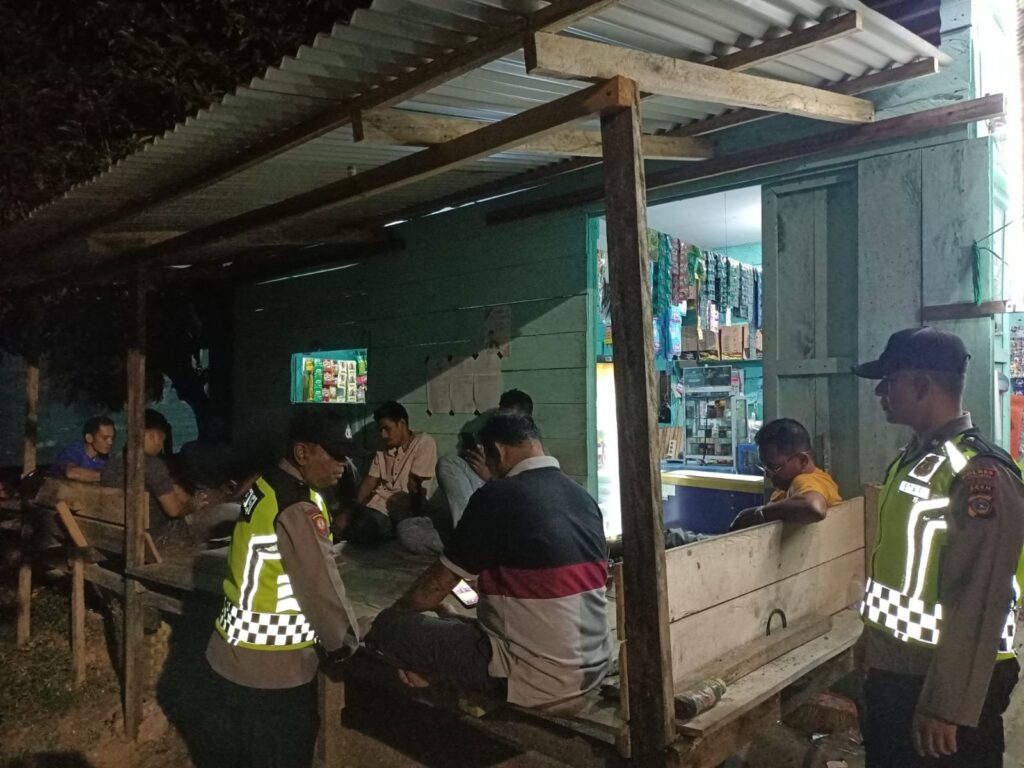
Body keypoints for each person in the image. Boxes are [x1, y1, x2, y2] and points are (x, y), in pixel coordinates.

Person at [853, 327, 1024, 767]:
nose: (880, 392)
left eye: (889, 381)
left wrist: (947, 705)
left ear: (922, 386)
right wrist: (871, 639)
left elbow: (982, 597)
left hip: (944, 686)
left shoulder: (979, 472)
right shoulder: (913, 460)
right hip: (897, 671)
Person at [365, 411, 612, 707]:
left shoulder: (498, 495)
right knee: (451, 623)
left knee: (389, 627)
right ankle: (439, 664)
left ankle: (430, 665)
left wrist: (399, 618)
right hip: (594, 666)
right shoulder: (583, 497)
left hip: (535, 678)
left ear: (496, 451)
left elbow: (435, 586)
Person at [205, 408, 359, 768]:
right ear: (302, 452)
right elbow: (321, 589)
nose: (343, 465)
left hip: (232, 654)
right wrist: (347, 644)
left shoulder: (266, 485)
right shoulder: (297, 505)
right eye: (335, 455)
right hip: (273, 669)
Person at [100, 409, 200, 549]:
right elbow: (174, 511)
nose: (161, 445)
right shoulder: (152, 465)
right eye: (162, 439)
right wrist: (193, 505)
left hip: (117, 538)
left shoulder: (111, 463)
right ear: (153, 435)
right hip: (152, 542)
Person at [435, 389, 533, 527]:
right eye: (500, 415)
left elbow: (523, 495)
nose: (503, 422)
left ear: (525, 420)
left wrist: (490, 477)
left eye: (510, 418)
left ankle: (469, 532)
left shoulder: (533, 451)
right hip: (487, 491)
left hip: (506, 503)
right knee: (448, 462)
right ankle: (466, 529)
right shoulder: (495, 437)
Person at [345, 401, 437, 546]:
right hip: (375, 506)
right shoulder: (383, 447)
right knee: (346, 522)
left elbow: (416, 488)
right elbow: (370, 481)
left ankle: (386, 532)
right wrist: (350, 510)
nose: (383, 435)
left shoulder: (423, 443)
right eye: (380, 430)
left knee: (362, 530)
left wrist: (414, 520)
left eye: (387, 429)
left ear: (402, 424)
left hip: (400, 512)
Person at [729, 418, 842, 530]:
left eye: (773, 467)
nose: (768, 475)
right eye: (764, 467)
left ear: (802, 460)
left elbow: (814, 506)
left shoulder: (806, 480)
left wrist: (759, 514)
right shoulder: (786, 487)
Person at [51, 416, 116, 482]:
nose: (110, 442)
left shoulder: (106, 458)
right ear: (89, 438)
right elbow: (71, 473)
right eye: (105, 438)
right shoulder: (74, 451)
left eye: (112, 438)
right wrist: (109, 477)